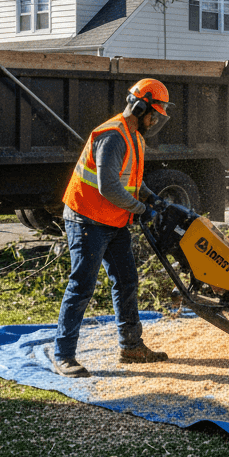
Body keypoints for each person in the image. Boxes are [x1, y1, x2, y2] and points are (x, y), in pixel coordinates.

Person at [52, 78, 175, 377]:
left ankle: (131, 346)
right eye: (153, 113)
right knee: (81, 285)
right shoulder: (113, 135)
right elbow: (108, 186)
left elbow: (130, 179)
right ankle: (63, 355)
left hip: (113, 219)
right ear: (139, 105)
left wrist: (151, 198)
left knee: (126, 280)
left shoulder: (135, 136)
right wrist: (141, 209)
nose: (154, 120)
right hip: (87, 218)